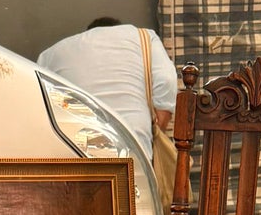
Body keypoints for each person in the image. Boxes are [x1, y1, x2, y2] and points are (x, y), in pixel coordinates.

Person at [35, 15, 178, 161]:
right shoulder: (145, 37)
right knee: (132, 181)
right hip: (134, 135)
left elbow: (40, 101)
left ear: (88, 32)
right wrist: (157, 128)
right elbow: (166, 80)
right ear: (118, 28)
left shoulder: (51, 53)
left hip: (74, 141)